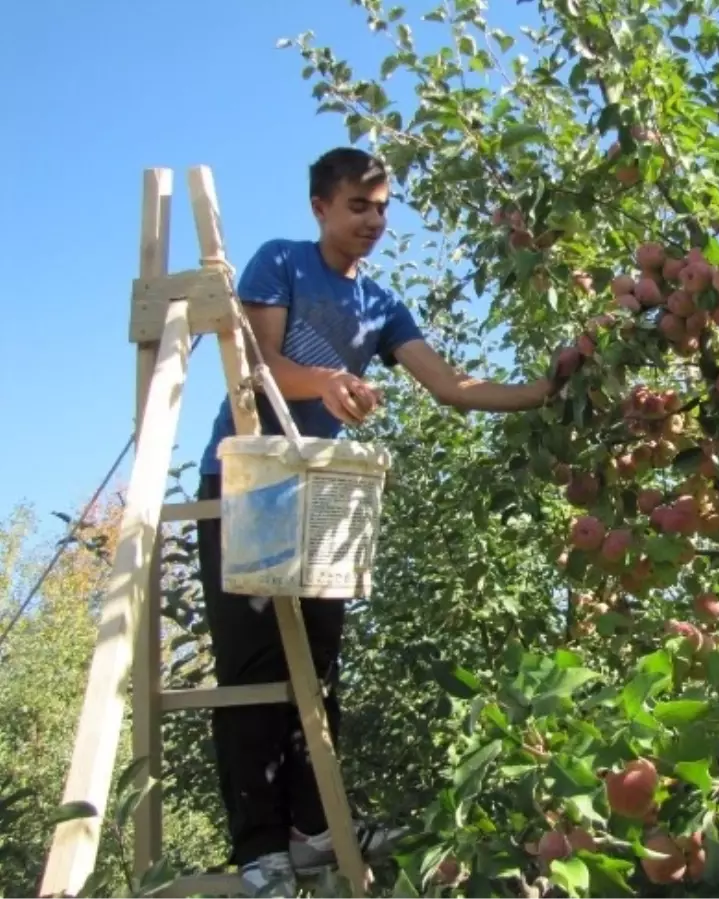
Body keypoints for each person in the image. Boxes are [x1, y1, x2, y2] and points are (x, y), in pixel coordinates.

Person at [195, 147, 563, 895]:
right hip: (254, 476)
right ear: (321, 208)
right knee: (253, 660)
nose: (374, 220)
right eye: (358, 206)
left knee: (322, 659)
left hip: (323, 490)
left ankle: (313, 825)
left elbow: (451, 386)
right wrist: (331, 381)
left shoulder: (382, 305)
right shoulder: (283, 262)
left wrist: (546, 390)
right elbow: (257, 365)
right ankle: (259, 843)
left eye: (383, 206)